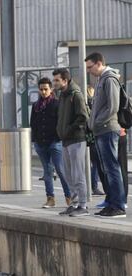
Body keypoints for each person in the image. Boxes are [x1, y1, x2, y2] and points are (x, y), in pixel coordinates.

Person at [86, 52, 126, 218]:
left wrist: (96, 123)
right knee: (107, 169)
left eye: (90, 67)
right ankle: (111, 203)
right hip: (101, 130)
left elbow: (112, 107)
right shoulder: (101, 79)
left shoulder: (109, 79)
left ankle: (118, 206)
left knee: (112, 168)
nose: (88, 71)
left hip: (108, 129)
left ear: (99, 63)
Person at [30, 77, 71, 208]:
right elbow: (33, 123)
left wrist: (59, 137)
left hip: (55, 141)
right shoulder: (36, 105)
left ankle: (69, 197)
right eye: (41, 89)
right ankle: (50, 198)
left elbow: (61, 121)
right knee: (47, 171)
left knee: (60, 169)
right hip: (41, 143)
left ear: (51, 89)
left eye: (46, 89)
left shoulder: (57, 104)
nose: (43, 92)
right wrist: (35, 140)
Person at [53, 68, 89, 217]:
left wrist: (68, 129)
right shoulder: (63, 96)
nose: (54, 83)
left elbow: (83, 116)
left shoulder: (76, 95)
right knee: (69, 174)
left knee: (77, 173)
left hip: (76, 139)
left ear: (65, 80)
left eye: (57, 80)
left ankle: (83, 205)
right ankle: (73, 204)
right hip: (66, 140)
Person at [86, 85, 105, 196]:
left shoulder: (87, 102)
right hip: (93, 137)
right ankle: (94, 186)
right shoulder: (92, 104)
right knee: (96, 163)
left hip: (87, 137)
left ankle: (91, 186)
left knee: (91, 163)